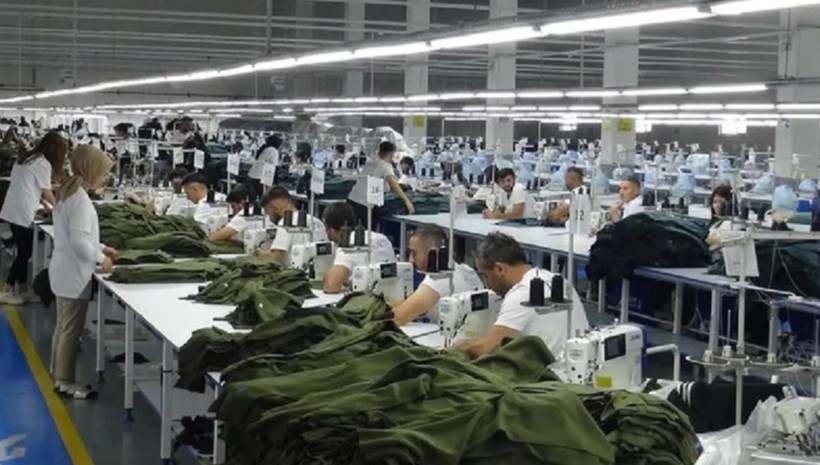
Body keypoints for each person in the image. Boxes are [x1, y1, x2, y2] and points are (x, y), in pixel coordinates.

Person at [49, 145, 117, 399]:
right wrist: (101, 258)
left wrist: (102, 246)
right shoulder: (79, 199)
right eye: (102, 172)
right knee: (70, 330)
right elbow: (78, 242)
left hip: (63, 269)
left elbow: (77, 236)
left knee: (63, 326)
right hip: (73, 273)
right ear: (91, 169)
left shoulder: (68, 191)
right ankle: (66, 383)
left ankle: (59, 377)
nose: (104, 178)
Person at [452, 232, 589, 358]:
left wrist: (452, 348)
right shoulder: (555, 280)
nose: (486, 284)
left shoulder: (520, 295)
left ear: (500, 269)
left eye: (485, 276)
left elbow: (486, 350)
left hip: (551, 373)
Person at [0, 131, 66, 304]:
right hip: (22, 212)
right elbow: (47, 193)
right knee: (24, 253)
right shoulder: (43, 164)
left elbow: (31, 187)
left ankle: (22, 291)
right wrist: (62, 209)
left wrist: (46, 203)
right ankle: (7, 290)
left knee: (23, 251)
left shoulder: (25, 158)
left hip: (12, 208)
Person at [392, 225, 483, 325]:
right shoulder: (466, 270)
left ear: (433, 252)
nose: (411, 259)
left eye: (414, 253)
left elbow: (398, 318)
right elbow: (411, 303)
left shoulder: (437, 280)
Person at [322, 202, 396, 294]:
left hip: (371, 298)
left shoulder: (347, 246)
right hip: (392, 295)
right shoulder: (382, 238)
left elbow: (330, 286)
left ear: (331, 231)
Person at [347, 141, 415, 225]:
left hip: (351, 201)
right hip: (364, 206)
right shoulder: (385, 166)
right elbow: (394, 185)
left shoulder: (370, 163)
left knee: (351, 230)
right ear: (391, 154)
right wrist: (407, 201)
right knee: (365, 231)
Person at [254, 186, 327, 263]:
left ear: (276, 209)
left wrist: (259, 253)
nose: (270, 219)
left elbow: (277, 256)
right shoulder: (317, 222)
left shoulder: (285, 223)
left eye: (269, 214)